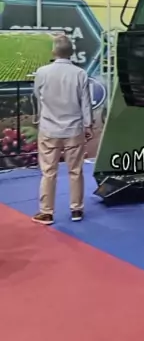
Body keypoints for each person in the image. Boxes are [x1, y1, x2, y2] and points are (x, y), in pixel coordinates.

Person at [31, 34, 93, 225]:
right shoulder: (80, 73)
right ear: (72, 53)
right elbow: (86, 103)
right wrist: (88, 125)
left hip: (49, 129)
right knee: (75, 171)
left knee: (48, 171)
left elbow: (37, 97)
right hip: (74, 129)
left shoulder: (42, 72)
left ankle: (46, 212)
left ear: (53, 52)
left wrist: (38, 118)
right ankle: (76, 209)